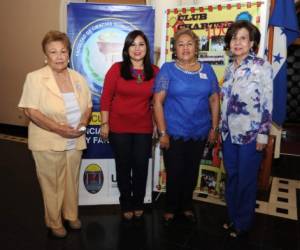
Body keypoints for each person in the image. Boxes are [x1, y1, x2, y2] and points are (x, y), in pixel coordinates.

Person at [18, 30, 92, 238]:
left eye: (63, 51)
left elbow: (87, 106)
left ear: (68, 54)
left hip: (75, 140)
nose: (59, 56)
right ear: (46, 55)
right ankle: (54, 221)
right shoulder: (34, 78)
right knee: (52, 183)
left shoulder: (78, 77)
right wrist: (59, 129)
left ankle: (71, 214)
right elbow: (31, 110)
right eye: (53, 52)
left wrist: (84, 123)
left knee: (71, 180)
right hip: (48, 140)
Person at [153, 28, 220, 225]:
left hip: (199, 131)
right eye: (180, 44)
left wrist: (214, 128)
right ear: (175, 48)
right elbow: (157, 102)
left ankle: (187, 205)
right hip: (174, 131)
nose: (185, 48)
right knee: (174, 172)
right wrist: (163, 132)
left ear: (196, 47)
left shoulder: (207, 70)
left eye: (189, 44)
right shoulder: (168, 69)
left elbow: (215, 99)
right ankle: (171, 206)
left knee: (191, 171)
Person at [220, 20, 273, 238]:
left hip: (251, 135)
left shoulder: (262, 66)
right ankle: (233, 216)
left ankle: (243, 222)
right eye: (234, 38)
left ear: (252, 43)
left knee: (246, 179)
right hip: (228, 133)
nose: (237, 42)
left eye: (242, 38)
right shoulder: (229, 68)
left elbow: (267, 104)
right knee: (232, 177)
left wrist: (263, 134)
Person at [100, 30, 159, 220]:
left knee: (141, 166)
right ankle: (126, 202)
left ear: (146, 48)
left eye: (141, 44)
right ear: (126, 49)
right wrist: (104, 123)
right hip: (119, 128)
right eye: (132, 44)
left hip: (143, 127)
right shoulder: (116, 69)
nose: (137, 48)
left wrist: (158, 125)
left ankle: (138, 202)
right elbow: (106, 98)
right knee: (124, 166)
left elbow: (158, 102)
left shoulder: (155, 71)